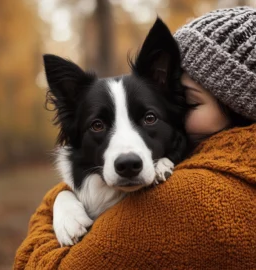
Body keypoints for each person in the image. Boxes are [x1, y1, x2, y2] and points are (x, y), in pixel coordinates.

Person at [14, 6, 256, 270]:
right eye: (98, 124)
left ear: (238, 108)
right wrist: (64, 199)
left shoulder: (188, 199)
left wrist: (49, 211)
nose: (180, 110)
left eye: (190, 101)